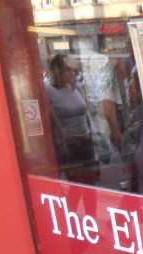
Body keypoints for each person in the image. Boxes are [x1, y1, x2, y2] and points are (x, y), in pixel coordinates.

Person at [45, 54, 98, 185]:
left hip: (86, 141)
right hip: (68, 146)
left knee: (90, 183)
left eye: (73, 69)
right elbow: (50, 122)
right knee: (77, 184)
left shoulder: (78, 88)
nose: (72, 73)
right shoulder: (49, 91)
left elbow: (86, 114)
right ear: (57, 71)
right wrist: (61, 142)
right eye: (67, 69)